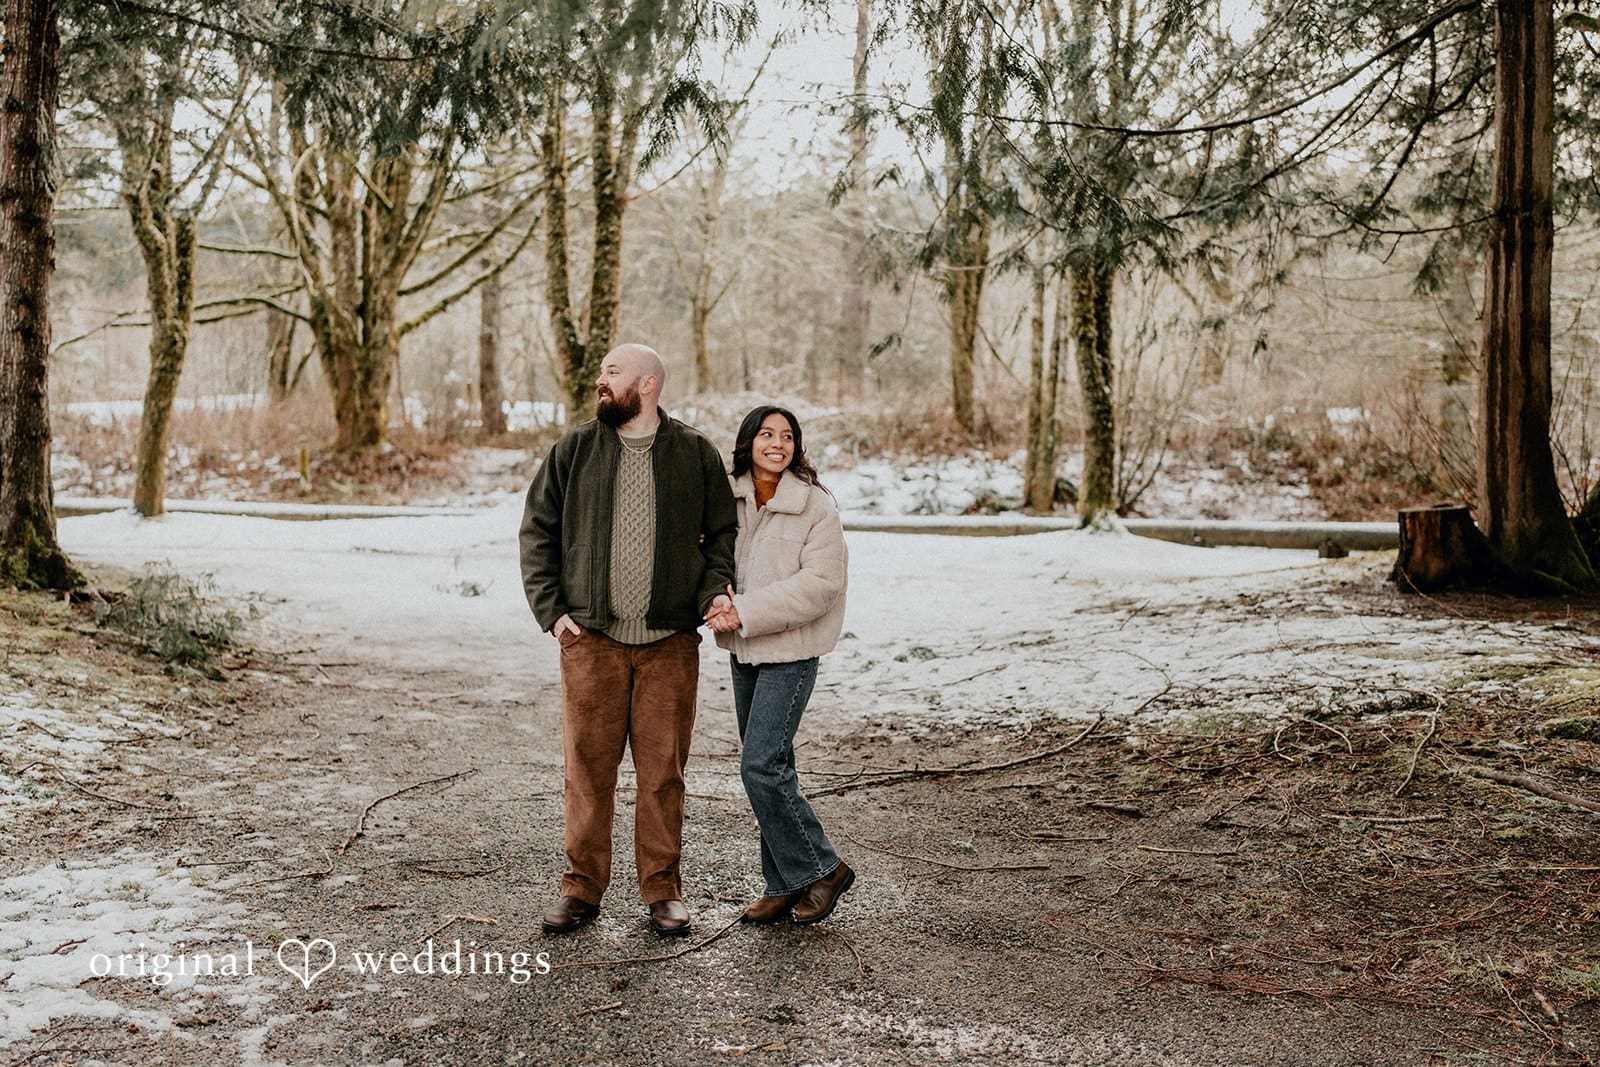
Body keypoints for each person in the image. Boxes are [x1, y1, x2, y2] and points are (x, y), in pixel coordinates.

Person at [519, 344, 737, 937]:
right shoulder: (575, 450)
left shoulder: (693, 453)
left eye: (612, 373)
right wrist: (553, 613)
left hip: (669, 643)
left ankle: (663, 892)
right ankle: (581, 890)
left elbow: (722, 536)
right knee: (587, 770)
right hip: (591, 640)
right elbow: (537, 530)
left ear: (648, 383)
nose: (601, 381)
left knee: (662, 773)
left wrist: (712, 592)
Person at [705, 406, 855, 925]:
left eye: (786, 436)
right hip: (744, 651)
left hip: (790, 653)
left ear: (796, 447)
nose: (777, 443)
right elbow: (710, 558)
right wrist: (714, 600)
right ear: (747, 442)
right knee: (775, 766)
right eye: (766, 434)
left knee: (760, 767)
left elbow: (820, 586)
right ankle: (783, 883)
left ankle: (822, 868)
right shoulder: (728, 499)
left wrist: (742, 610)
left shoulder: (815, 506)